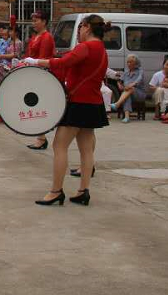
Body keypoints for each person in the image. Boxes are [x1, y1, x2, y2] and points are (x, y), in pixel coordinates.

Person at [26, 14, 110, 207]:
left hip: (78, 102)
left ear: (87, 27)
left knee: (59, 146)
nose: (79, 31)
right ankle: (83, 191)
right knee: (87, 149)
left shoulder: (86, 47)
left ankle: (55, 191)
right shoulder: (103, 50)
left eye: (80, 27)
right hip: (93, 103)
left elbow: (62, 62)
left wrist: (35, 61)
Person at [26, 10, 56, 150]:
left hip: (42, 73)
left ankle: (41, 137)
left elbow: (43, 58)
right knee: (35, 104)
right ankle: (40, 137)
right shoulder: (35, 37)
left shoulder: (46, 37)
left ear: (44, 21)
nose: (34, 23)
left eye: (36, 20)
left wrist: (32, 62)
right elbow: (30, 55)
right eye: (33, 20)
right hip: (33, 72)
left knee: (39, 105)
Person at [112, 54, 146, 123]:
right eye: (128, 62)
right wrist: (119, 84)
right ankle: (127, 117)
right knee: (127, 95)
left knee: (130, 89)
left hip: (139, 94)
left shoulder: (140, 71)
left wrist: (132, 84)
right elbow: (119, 80)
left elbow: (139, 79)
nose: (128, 64)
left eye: (130, 62)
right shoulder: (126, 72)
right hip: (128, 92)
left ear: (136, 63)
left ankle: (117, 104)